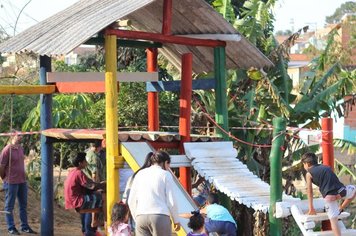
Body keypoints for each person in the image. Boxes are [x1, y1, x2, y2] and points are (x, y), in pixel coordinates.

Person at [301, 152, 356, 236]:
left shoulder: (309, 174)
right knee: (354, 190)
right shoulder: (326, 167)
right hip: (342, 192)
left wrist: (311, 208)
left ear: (307, 164)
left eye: (303, 164)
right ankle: (341, 208)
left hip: (329, 198)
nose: (304, 167)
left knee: (333, 221)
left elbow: (310, 191)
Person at [128, 150, 181, 235]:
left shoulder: (140, 174)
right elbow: (171, 201)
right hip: (160, 215)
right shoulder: (165, 174)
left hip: (141, 217)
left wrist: (137, 217)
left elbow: (131, 200)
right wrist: (176, 220)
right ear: (166, 162)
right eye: (168, 165)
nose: (168, 168)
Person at [0, 131, 37, 235]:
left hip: (22, 181)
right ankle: (11, 228)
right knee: (9, 206)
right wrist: (5, 178)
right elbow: (1, 167)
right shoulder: (7, 150)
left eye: (21, 135)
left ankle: (24, 227)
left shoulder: (20, 148)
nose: (21, 137)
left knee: (23, 205)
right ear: (12, 136)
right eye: (19, 135)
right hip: (11, 182)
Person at [64, 152, 106, 236]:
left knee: (94, 197)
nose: (86, 163)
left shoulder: (73, 172)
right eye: (85, 161)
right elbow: (91, 186)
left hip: (71, 200)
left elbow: (88, 185)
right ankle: (103, 220)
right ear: (80, 163)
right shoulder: (79, 173)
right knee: (102, 196)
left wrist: (99, 185)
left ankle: (89, 228)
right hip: (77, 201)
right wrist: (104, 184)